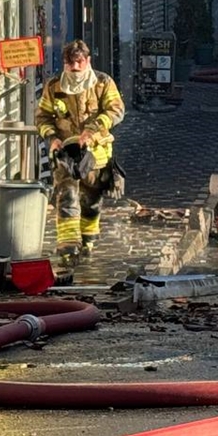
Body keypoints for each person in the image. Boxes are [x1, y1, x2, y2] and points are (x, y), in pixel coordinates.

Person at [35, 39, 125, 266]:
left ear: (87, 62)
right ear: (64, 63)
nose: (74, 68)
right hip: (65, 153)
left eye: (79, 62)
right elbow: (42, 117)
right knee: (66, 196)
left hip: (96, 153)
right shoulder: (54, 86)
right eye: (69, 63)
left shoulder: (103, 83)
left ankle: (88, 240)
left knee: (91, 199)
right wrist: (52, 138)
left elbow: (116, 110)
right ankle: (67, 247)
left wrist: (92, 131)